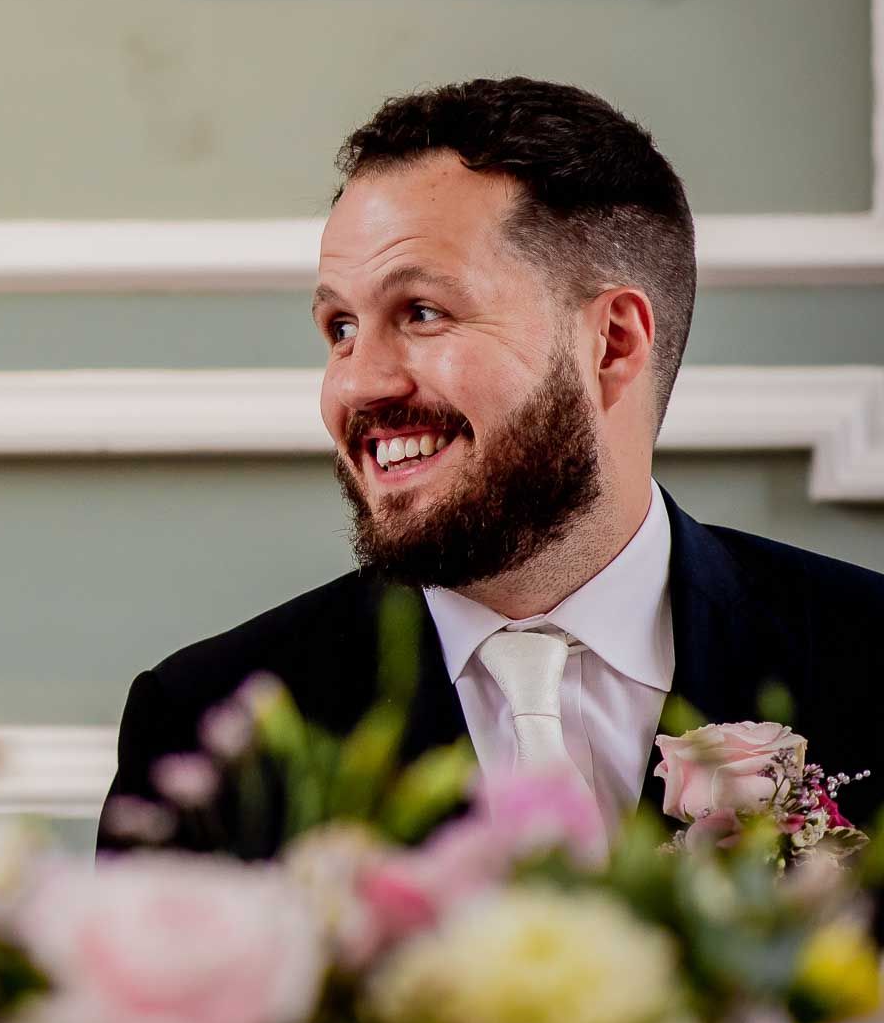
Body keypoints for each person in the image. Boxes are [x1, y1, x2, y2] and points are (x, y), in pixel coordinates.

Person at [99, 78, 884, 858]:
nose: (356, 384)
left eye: (422, 313)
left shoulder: (868, 655)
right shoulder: (203, 733)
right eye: (340, 326)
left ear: (612, 343)